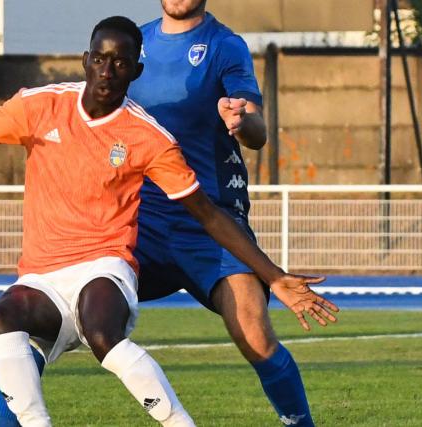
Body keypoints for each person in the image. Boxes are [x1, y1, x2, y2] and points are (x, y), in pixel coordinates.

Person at [0, 15, 335, 427]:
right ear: (86, 59)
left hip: (192, 227)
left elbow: (246, 150)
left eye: (120, 64)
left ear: (135, 70)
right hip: (140, 223)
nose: (108, 71)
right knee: (18, 325)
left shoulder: (219, 51)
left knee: (250, 332)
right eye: (100, 60)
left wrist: (273, 275)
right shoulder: (55, 94)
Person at [127, 1, 339, 426]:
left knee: (255, 335)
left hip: (211, 223)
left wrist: (242, 122)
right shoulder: (133, 42)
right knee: (64, 312)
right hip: (140, 219)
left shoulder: (225, 45)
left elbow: (258, 132)